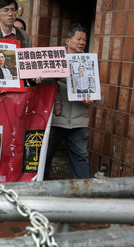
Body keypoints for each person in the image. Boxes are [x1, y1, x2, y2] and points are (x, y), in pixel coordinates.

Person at [43, 23, 94, 180]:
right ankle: (40, 188)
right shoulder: (54, 59)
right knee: (45, 157)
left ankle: (85, 195)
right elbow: (41, 84)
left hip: (79, 122)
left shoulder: (88, 63)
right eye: (78, 39)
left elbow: (95, 91)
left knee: (80, 159)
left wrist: (92, 100)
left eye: (84, 40)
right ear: (67, 41)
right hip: (55, 120)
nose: (81, 43)